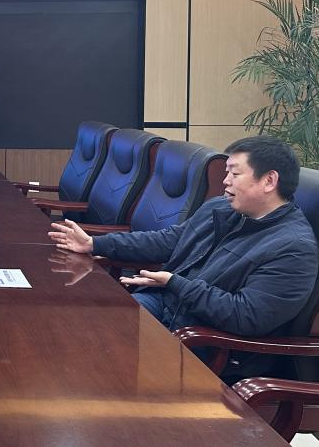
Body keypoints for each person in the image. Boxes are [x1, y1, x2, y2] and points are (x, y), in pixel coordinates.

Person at [49, 136, 318, 377]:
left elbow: (245, 316)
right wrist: (95, 244)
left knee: (95, 361)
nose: (225, 181)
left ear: (269, 181)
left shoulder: (293, 248)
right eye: (227, 172)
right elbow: (169, 241)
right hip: (169, 311)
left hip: (209, 346)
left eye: (235, 174)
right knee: (78, 328)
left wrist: (174, 283)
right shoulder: (223, 209)